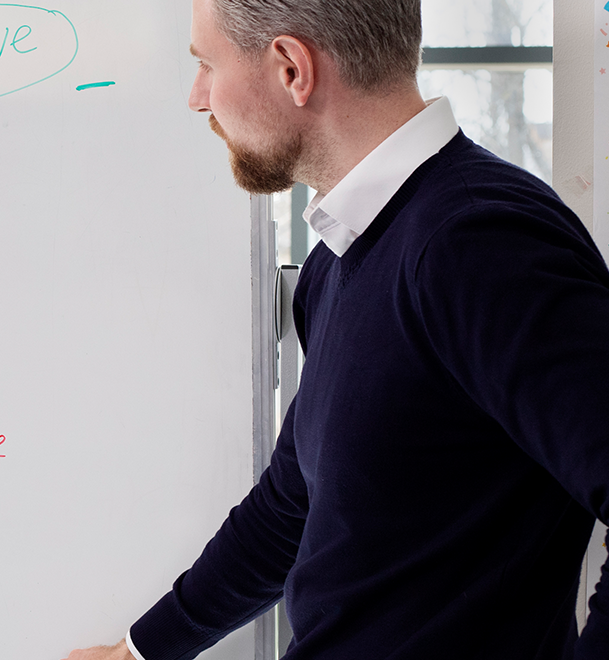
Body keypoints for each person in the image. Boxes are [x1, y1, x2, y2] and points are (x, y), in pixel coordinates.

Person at [67, 0, 609, 658]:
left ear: (293, 68)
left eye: (207, 64)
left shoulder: (479, 245)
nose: (198, 97)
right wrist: (142, 650)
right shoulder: (342, 256)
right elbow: (292, 507)